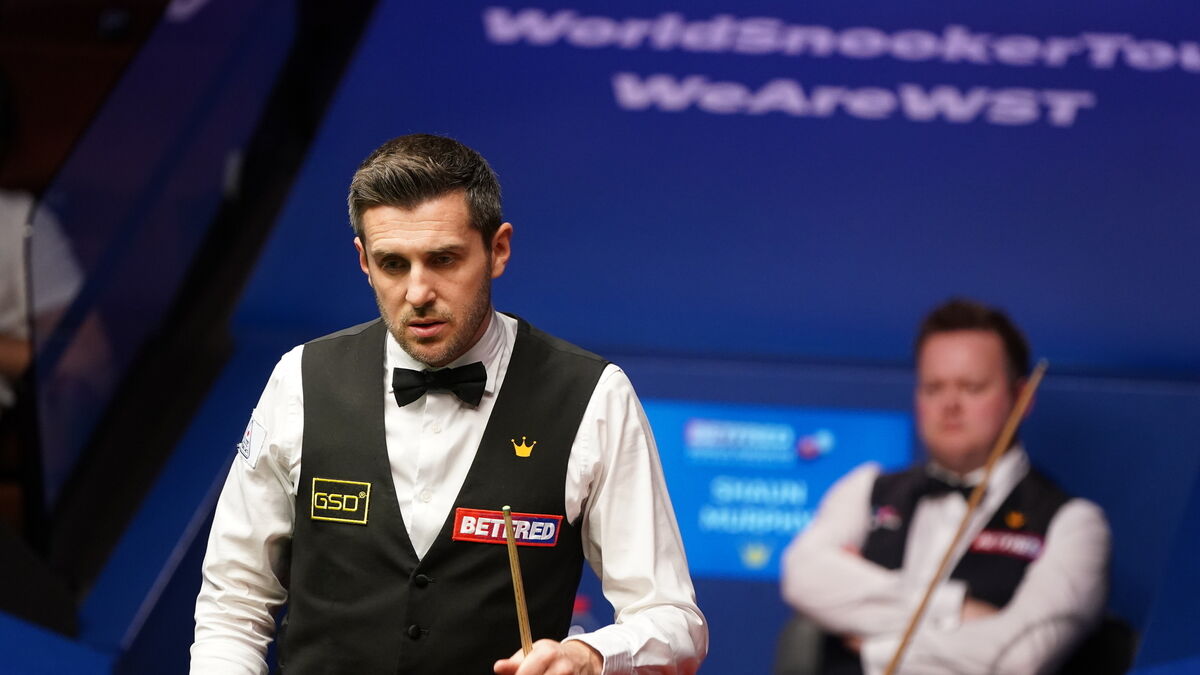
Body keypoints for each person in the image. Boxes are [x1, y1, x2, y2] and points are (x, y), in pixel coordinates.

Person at [191, 134, 707, 674]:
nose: (418, 293)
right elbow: (233, 605)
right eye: (393, 264)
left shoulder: (592, 395)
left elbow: (673, 620)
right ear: (364, 260)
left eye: (443, 259)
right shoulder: (300, 380)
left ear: (498, 250)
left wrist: (588, 657)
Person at [780, 298, 1110, 674]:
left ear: (1021, 398)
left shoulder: (1075, 524)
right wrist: (954, 609)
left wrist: (875, 647)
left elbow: (1016, 658)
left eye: (972, 387)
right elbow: (801, 578)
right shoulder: (866, 488)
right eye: (933, 388)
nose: (950, 404)